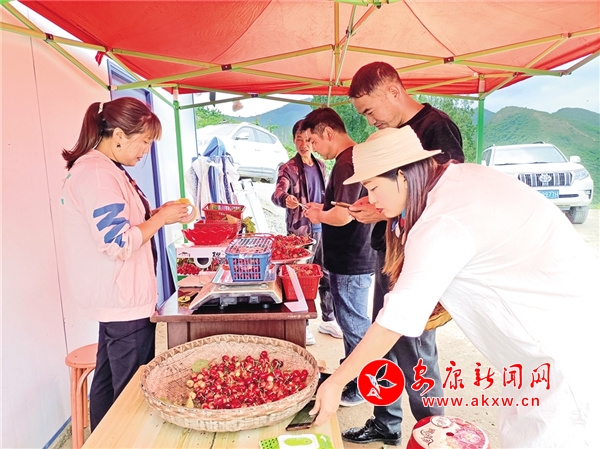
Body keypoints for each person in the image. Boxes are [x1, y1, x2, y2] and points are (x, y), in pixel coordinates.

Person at [310, 127, 599, 448]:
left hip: (563, 357)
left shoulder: (442, 220)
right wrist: (386, 209)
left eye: (374, 187)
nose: (371, 198)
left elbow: (397, 318)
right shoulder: (454, 180)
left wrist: (337, 382)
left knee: (547, 435)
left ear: (403, 176)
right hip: (541, 346)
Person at [338, 60, 465, 445]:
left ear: (394, 92)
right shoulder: (392, 132)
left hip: (419, 260)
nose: (369, 121)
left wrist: (381, 210)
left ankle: (433, 431)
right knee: (387, 341)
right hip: (391, 252)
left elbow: (444, 200)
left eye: (369, 111)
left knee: (416, 350)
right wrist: (376, 206)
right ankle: (386, 421)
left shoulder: (436, 128)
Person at [60, 97, 194, 430]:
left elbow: (124, 224)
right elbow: (117, 242)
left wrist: (156, 213)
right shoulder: (97, 174)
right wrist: (160, 219)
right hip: (123, 301)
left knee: (107, 383)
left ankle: (102, 439)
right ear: (119, 135)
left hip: (117, 300)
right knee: (132, 393)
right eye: (144, 142)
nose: (146, 151)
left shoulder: (103, 169)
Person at [300, 107, 376, 406]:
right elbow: (345, 207)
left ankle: (362, 385)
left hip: (350, 258)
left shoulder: (347, 162)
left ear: (328, 133)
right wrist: (322, 209)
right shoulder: (354, 158)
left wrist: (319, 215)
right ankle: (351, 375)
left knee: (354, 324)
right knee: (351, 321)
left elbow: (343, 216)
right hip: (354, 255)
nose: (313, 148)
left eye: (314, 141)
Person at [271, 120, 343, 345]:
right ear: (294, 141)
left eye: (308, 140)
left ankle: (329, 319)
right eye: (299, 140)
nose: (303, 145)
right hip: (300, 234)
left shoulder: (321, 165)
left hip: (324, 228)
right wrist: (286, 199)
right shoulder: (288, 168)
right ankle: (302, 324)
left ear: (313, 141)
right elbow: (277, 194)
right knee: (300, 279)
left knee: (326, 274)